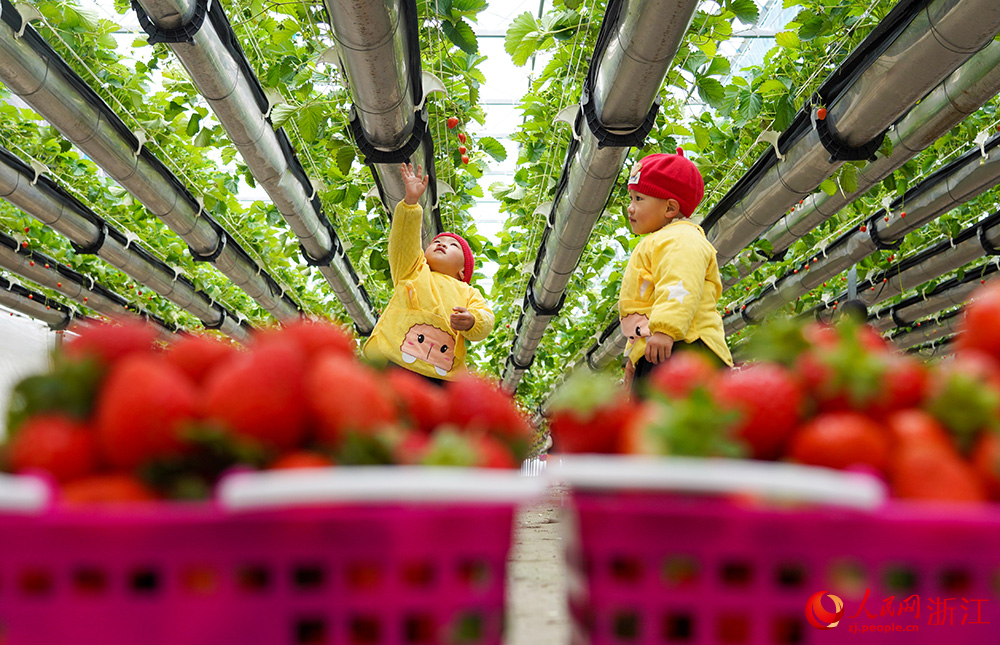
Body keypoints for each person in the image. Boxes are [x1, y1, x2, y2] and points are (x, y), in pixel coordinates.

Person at [362, 163, 494, 382]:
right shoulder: (413, 269)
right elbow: (403, 241)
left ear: (463, 272)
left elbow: (486, 319)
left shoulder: (468, 292)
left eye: (453, 246)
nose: (442, 244)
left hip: (438, 373)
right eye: (438, 241)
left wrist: (472, 321)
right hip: (394, 356)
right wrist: (411, 205)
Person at [619, 149, 733, 394]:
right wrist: (635, 357)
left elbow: (679, 283)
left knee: (676, 424)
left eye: (639, 199)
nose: (630, 208)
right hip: (665, 348)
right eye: (631, 198)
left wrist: (665, 330)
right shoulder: (662, 240)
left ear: (670, 208)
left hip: (685, 347)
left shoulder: (680, 238)